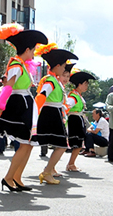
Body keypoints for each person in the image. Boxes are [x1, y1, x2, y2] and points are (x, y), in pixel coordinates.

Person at [0, 23, 48, 191]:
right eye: (33, 49)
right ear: (27, 49)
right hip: (19, 105)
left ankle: (16, 177)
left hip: (25, 103)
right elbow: (8, 86)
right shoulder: (16, 64)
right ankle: (9, 177)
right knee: (25, 143)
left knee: (28, 144)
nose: (34, 53)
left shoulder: (21, 64)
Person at [31, 44, 78, 185]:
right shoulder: (51, 80)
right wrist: (34, 114)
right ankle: (46, 171)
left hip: (55, 112)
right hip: (50, 113)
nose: (65, 69)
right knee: (62, 145)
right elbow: (42, 95)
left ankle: (49, 170)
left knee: (61, 145)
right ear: (57, 66)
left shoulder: (55, 80)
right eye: (64, 66)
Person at [65, 68, 95, 171]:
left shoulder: (78, 95)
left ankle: (71, 163)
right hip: (74, 120)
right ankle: (70, 164)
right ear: (79, 84)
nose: (86, 86)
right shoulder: (73, 96)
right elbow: (67, 106)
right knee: (76, 143)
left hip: (78, 119)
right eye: (85, 83)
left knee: (78, 144)